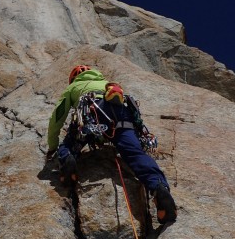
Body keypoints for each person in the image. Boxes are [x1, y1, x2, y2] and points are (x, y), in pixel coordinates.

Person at [46, 65, 177, 224]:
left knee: (70, 143)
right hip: (121, 114)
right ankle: (159, 187)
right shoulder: (106, 83)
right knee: (136, 154)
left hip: (93, 112)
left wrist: (52, 146)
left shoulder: (74, 86)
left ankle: (68, 161)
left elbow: (58, 115)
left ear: (73, 79)